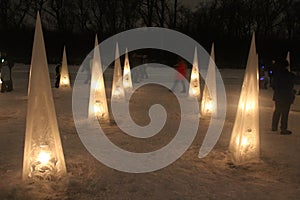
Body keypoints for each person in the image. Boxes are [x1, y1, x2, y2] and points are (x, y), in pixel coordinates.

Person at [271, 59, 296, 135]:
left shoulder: (276, 75)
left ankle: (274, 126)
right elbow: (291, 85)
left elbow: (273, 85)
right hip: (287, 96)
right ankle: (283, 128)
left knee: (277, 110)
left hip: (278, 95)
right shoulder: (290, 75)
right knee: (285, 112)